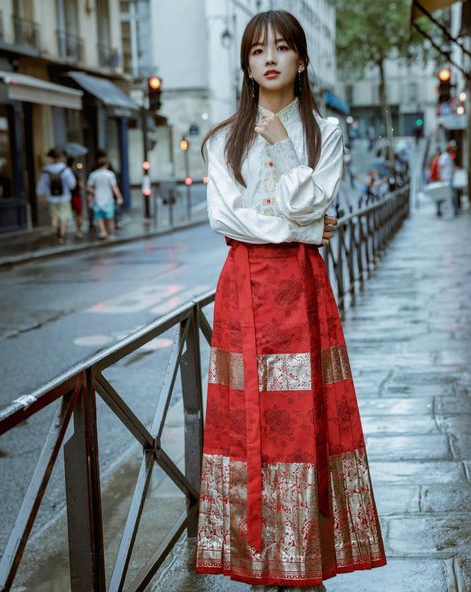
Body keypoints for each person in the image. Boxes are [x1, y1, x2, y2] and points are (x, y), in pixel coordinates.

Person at [195, 10, 387, 592]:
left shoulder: (324, 133)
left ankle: (304, 558)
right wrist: (303, 228)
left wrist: (284, 152)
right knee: (247, 423)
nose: (269, 58)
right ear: (247, 65)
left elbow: (317, 197)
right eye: (257, 51)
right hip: (244, 291)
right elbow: (226, 217)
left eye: (281, 48)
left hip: (302, 291)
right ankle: (258, 558)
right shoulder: (221, 138)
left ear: (301, 60)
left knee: (305, 426)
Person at [36, 147, 76, 244]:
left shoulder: (46, 170)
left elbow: (42, 184)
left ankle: (55, 227)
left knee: (55, 216)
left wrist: (40, 195)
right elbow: (72, 184)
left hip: (52, 197)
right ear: (60, 157)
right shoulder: (65, 169)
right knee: (63, 217)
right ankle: (61, 236)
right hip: (64, 197)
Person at [86, 157, 123, 240]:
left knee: (99, 217)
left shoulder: (93, 174)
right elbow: (114, 187)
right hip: (108, 198)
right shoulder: (110, 174)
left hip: (97, 198)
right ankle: (110, 232)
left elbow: (88, 187)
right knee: (109, 217)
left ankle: (103, 231)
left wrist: (94, 192)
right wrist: (119, 197)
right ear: (106, 165)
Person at [438, 143, 460, 217]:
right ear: (450, 149)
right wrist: (441, 178)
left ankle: (455, 210)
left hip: (449, 178)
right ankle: (440, 210)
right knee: (448, 194)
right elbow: (440, 166)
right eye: (453, 149)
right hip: (446, 179)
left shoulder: (448, 156)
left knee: (451, 195)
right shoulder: (445, 156)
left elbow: (450, 167)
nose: (454, 151)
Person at [67, 157, 84, 239]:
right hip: (76, 196)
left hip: (66, 197)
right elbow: (81, 185)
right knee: (79, 214)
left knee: (65, 215)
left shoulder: (64, 172)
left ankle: (63, 231)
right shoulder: (75, 173)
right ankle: (79, 231)